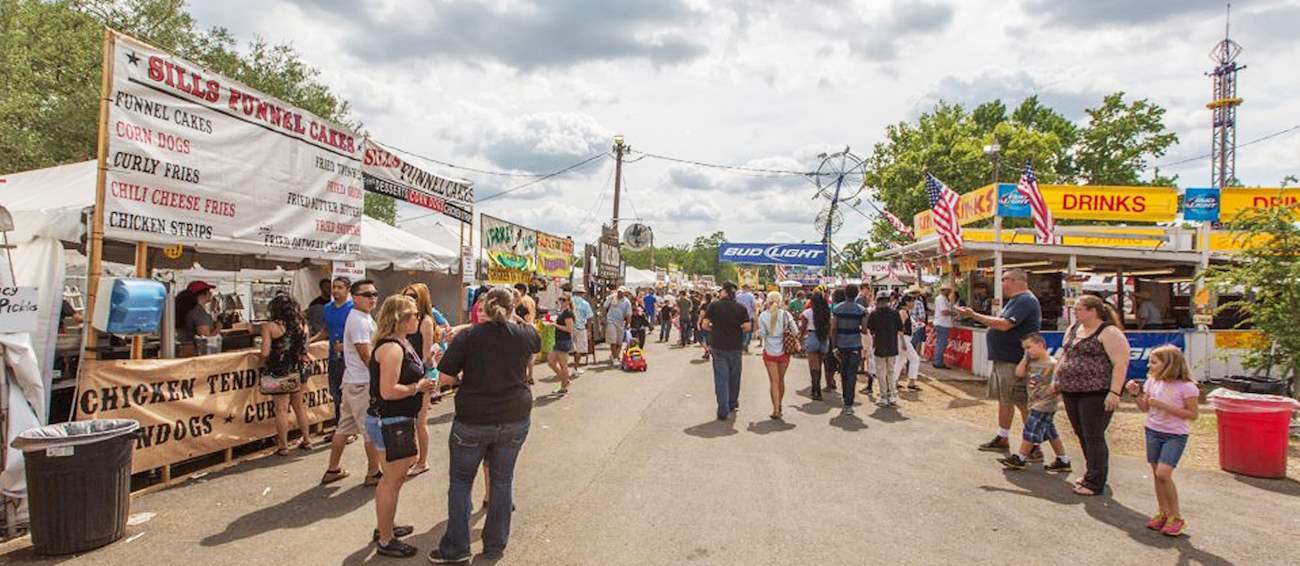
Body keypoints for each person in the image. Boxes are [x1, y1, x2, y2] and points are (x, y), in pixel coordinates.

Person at [431, 287, 540, 563]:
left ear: (484, 307)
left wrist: (467, 376)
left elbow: (444, 376)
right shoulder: (525, 333)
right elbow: (534, 346)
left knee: (461, 482)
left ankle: (456, 547)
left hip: (473, 419)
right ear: (512, 307)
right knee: (502, 482)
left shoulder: (469, 336)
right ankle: (494, 545)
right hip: (514, 416)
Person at [366, 295, 439, 558]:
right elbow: (388, 391)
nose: (418, 318)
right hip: (391, 419)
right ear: (400, 318)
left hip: (396, 419)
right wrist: (417, 387)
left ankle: (386, 527)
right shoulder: (392, 348)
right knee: (392, 479)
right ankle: (385, 538)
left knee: (395, 477)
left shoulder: (400, 343)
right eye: (413, 314)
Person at [958, 269, 1041, 453]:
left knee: (1020, 401)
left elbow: (1004, 324)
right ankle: (1003, 437)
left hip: (1015, 359)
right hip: (1005, 358)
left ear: (1016, 281)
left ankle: (1033, 445)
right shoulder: (1016, 300)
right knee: (1006, 400)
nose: (1002, 283)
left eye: (1004, 280)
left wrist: (974, 315)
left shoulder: (1025, 300)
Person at [1055, 295, 1130, 497]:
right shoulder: (1073, 330)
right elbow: (1065, 355)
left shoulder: (1108, 332)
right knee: (1081, 433)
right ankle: (1092, 471)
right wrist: (1057, 379)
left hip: (1096, 391)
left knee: (1094, 435)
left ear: (1093, 311)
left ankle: (1096, 480)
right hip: (1072, 390)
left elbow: (1120, 363)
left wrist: (1114, 391)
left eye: (1079, 308)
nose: (1075, 312)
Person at [1127, 345, 1199, 537]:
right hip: (1152, 430)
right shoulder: (1152, 382)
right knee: (1157, 474)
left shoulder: (1186, 387)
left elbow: (1192, 414)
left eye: (1154, 362)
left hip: (1174, 434)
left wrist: (1164, 406)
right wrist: (1136, 394)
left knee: (1164, 473)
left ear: (1169, 364)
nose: (1150, 365)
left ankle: (1176, 516)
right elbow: (1145, 407)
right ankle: (1163, 512)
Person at [321, 279, 381, 486]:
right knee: (370, 429)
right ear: (355, 298)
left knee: (344, 427)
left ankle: (333, 468)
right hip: (361, 382)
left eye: (374, 294)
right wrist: (381, 377)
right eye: (367, 295)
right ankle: (374, 472)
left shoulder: (362, 317)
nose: (372, 298)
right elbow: (366, 356)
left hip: (353, 380)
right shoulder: (359, 320)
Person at [998, 333, 1072, 472]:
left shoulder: (1052, 363)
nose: (1027, 350)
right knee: (1051, 433)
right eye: (1024, 348)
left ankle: (1020, 458)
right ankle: (1063, 459)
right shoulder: (1031, 363)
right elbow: (1019, 373)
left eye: (1029, 347)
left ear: (1041, 345)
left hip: (1045, 404)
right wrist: (1025, 357)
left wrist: (1056, 389)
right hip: (1034, 402)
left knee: (1030, 431)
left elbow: (1060, 381)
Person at [259, 295, 314, 455]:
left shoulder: (269, 326)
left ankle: (283, 446)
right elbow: (305, 348)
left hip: (279, 370)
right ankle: (307, 440)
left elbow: (265, 352)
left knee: (281, 409)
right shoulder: (302, 325)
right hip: (299, 369)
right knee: (299, 406)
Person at [400, 283, 440, 478]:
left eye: (413, 296)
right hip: (406, 374)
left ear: (422, 299)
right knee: (409, 420)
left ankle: (422, 461)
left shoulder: (425, 321)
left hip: (422, 374)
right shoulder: (404, 320)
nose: (409, 299)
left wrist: (430, 373)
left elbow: (426, 354)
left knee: (420, 421)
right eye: (406, 295)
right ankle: (413, 457)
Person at [701, 282, 751, 420]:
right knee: (734, 377)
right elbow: (747, 327)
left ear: (725, 292)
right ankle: (732, 403)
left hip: (718, 346)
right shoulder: (741, 308)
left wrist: (714, 329)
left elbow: (704, 325)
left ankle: (722, 410)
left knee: (721, 378)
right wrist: (736, 329)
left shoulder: (714, 306)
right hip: (735, 346)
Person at [310, 277, 352, 431]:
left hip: (350, 359)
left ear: (348, 290)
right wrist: (311, 341)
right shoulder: (327, 308)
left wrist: (347, 345)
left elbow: (362, 335)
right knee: (335, 394)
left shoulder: (353, 308)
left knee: (348, 395)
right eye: (334, 287)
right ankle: (340, 427)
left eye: (340, 287)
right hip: (334, 358)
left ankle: (350, 429)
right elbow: (326, 330)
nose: (335, 290)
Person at [831, 285, 871, 414]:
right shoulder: (861, 310)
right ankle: (849, 403)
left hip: (841, 346)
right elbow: (864, 330)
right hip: (854, 345)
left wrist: (834, 346)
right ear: (856, 294)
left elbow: (833, 329)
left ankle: (844, 398)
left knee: (843, 373)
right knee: (852, 374)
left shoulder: (837, 309)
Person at [757, 291, 795, 419]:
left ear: (767, 301)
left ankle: (775, 408)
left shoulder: (763, 316)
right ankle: (780, 405)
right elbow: (795, 330)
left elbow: (761, 335)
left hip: (769, 351)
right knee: (781, 380)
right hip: (784, 351)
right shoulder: (786, 314)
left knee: (774, 381)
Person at [866, 291, 903, 408]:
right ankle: (892, 396)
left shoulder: (874, 314)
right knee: (891, 371)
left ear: (877, 301)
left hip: (879, 346)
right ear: (888, 301)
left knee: (881, 372)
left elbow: (870, 329)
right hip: (892, 345)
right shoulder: (895, 313)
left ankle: (883, 396)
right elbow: (900, 328)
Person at [802, 288, 832, 401]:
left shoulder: (807, 313)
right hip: (823, 338)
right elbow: (829, 325)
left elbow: (803, 328)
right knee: (819, 365)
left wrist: (800, 339)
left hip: (812, 336)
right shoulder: (826, 311)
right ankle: (816, 389)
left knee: (813, 367)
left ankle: (816, 389)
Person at [176, 280, 220, 354]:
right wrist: (218, 328)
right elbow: (206, 339)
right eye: (209, 291)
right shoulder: (198, 312)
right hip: (196, 353)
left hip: (184, 350)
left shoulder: (187, 310)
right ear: (203, 294)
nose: (211, 293)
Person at [548, 295, 576, 394]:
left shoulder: (568, 313)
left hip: (564, 341)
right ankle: (565, 380)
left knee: (563, 365)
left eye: (564, 300)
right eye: (560, 299)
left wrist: (555, 325)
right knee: (551, 362)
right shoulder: (563, 312)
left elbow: (569, 329)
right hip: (559, 340)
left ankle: (563, 386)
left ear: (568, 301)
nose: (561, 301)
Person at [894, 296, 922, 392]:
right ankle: (911, 383)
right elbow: (899, 328)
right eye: (912, 302)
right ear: (907, 302)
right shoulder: (903, 312)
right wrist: (902, 342)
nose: (913, 304)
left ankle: (894, 381)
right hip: (903, 338)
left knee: (900, 360)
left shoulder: (904, 312)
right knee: (915, 359)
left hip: (904, 338)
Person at [513, 283, 538, 384]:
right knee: (529, 355)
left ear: (521, 291)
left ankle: (526, 376)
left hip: (523, 330)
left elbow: (527, 317)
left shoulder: (523, 302)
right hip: (529, 328)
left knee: (525, 355)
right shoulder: (530, 299)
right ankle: (529, 376)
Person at [604, 288, 632, 365]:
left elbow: (628, 314)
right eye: (619, 292)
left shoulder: (627, 302)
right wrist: (604, 318)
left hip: (620, 323)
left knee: (619, 342)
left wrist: (628, 324)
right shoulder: (611, 298)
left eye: (622, 292)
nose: (620, 293)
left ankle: (614, 355)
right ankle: (615, 358)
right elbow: (605, 307)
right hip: (611, 322)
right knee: (613, 341)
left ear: (624, 293)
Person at [570, 288, 595, 374]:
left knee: (569, 348)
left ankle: (565, 368)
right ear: (582, 294)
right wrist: (589, 331)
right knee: (579, 349)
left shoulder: (569, 301)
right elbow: (589, 318)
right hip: (580, 327)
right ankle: (575, 368)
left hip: (569, 327)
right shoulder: (585, 303)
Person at [932, 283, 956, 369]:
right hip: (942, 323)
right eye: (948, 290)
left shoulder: (943, 298)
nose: (949, 292)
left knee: (940, 343)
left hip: (941, 323)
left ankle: (938, 361)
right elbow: (944, 312)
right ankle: (938, 362)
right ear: (945, 291)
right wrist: (953, 313)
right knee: (941, 343)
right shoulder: (941, 299)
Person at [735, 284, 757, 353]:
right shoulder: (751, 296)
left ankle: (741, 344)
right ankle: (745, 344)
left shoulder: (737, 296)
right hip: (748, 316)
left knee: (740, 331)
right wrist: (755, 314)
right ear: (747, 288)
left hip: (738, 317)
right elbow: (754, 306)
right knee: (748, 332)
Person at [696, 292, 714, 360]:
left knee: (700, 338)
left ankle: (707, 350)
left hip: (704, 323)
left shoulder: (704, 305)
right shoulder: (713, 305)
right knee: (709, 339)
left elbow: (701, 315)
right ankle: (708, 351)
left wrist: (698, 323)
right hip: (712, 323)